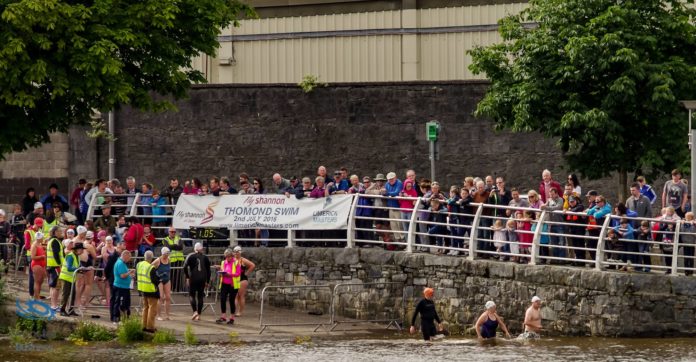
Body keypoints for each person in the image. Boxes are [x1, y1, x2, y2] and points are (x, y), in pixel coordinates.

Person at [183, 242, 211, 321]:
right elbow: (208, 271)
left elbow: (184, 267)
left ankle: (195, 311)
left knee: (192, 295)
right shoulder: (205, 257)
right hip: (202, 278)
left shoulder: (190, 256)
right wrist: (207, 281)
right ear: (201, 249)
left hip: (193, 278)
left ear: (194, 249)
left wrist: (187, 277)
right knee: (200, 296)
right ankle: (199, 314)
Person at [59, 243, 86, 317]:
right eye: (82, 249)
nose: (83, 251)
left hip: (71, 278)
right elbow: (69, 268)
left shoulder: (76, 256)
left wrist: (84, 269)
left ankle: (71, 310)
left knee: (73, 294)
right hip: (66, 278)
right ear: (77, 250)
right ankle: (62, 310)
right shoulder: (70, 256)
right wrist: (79, 269)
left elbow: (77, 266)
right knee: (65, 295)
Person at [216, 248, 242, 324]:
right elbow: (223, 270)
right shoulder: (223, 262)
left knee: (231, 300)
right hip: (224, 283)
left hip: (233, 284)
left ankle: (232, 318)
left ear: (232, 256)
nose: (227, 258)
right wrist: (219, 270)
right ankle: (223, 316)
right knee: (222, 299)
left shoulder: (236, 262)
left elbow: (238, 273)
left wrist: (229, 274)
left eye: (229, 256)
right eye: (226, 256)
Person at [137, 250, 161, 333]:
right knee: (152, 309)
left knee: (145, 308)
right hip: (151, 290)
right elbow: (156, 280)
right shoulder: (151, 268)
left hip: (142, 289)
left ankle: (143, 325)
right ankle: (150, 327)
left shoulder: (139, 264)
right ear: (152, 258)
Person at [105, 241, 125, 322]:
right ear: (119, 245)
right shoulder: (113, 256)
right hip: (113, 279)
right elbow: (107, 268)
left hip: (118, 280)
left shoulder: (122, 256)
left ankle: (117, 315)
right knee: (114, 298)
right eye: (123, 245)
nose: (125, 246)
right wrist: (108, 277)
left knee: (118, 298)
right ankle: (113, 316)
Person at [112, 250, 134, 322]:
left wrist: (129, 275)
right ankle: (117, 318)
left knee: (124, 303)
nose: (129, 259)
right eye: (129, 257)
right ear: (125, 256)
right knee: (120, 303)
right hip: (120, 287)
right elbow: (122, 276)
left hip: (124, 287)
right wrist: (129, 272)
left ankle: (124, 317)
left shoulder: (122, 263)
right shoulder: (120, 263)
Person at [46, 226, 65, 310]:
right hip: (56, 266)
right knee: (56, 287)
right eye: (60, 231)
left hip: (51, 265)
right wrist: (60, 264)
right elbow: (56, 254)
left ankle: (53, 305)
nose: (61, 232)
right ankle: (54, 305)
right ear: (56, 232)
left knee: (52, 286)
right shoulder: (55, 241)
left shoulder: (51, 240)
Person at [233, 246, 255, 317]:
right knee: (235, 296)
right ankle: (233, 311)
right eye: (235, 252)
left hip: (242, 279)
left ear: (240, 253)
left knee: (241, 296)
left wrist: (247, 273)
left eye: (237, 252)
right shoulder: (233, 260)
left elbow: (252, 265)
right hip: (235, 279)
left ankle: (240, 311)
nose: (236, 254)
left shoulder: (243, 260)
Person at [162, 227, 185, 292]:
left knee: (179, 275)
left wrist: (172, 246)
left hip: (179, 259)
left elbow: (180, 247)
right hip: (171, 260)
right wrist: (175, 246)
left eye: (174, 232)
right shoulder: (165, 239)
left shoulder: (179, 238)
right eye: (172, 232)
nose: (173, 233)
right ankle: (171, 288)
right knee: (171, 275)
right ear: (168, 232)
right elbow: (168, 247)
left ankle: (177, 289)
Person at [156, 247, 172, 321]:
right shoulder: (158, 260)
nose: (167, 255)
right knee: (161, 297)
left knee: (168, 297)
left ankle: (167, 315)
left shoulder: (169, 259)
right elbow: (150, 267)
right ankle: (159, 315)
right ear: (163, 254)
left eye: (168, 253)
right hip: (159, 280)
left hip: (167, 279)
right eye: (166, 254)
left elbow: (168, 268)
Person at [30, 232, 47, 300]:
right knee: (37, 281)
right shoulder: (34, 245)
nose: (43, 238)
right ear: (39, 238)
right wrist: (42, 256)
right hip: (36, 264)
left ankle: (37, 295)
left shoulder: (39, 244)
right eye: (42, 237)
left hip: (41, 264)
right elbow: (33, 257)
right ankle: (36, 297)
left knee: (40, 281)